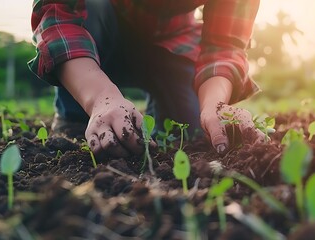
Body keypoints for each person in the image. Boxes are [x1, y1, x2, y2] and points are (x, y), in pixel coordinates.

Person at [29, 0, 265, 158]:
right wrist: (100, 97)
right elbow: (58, 13)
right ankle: (76, 113)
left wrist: (215, 105)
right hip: (98, 29)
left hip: (172, 43)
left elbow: (223, 46)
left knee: (191, 128)